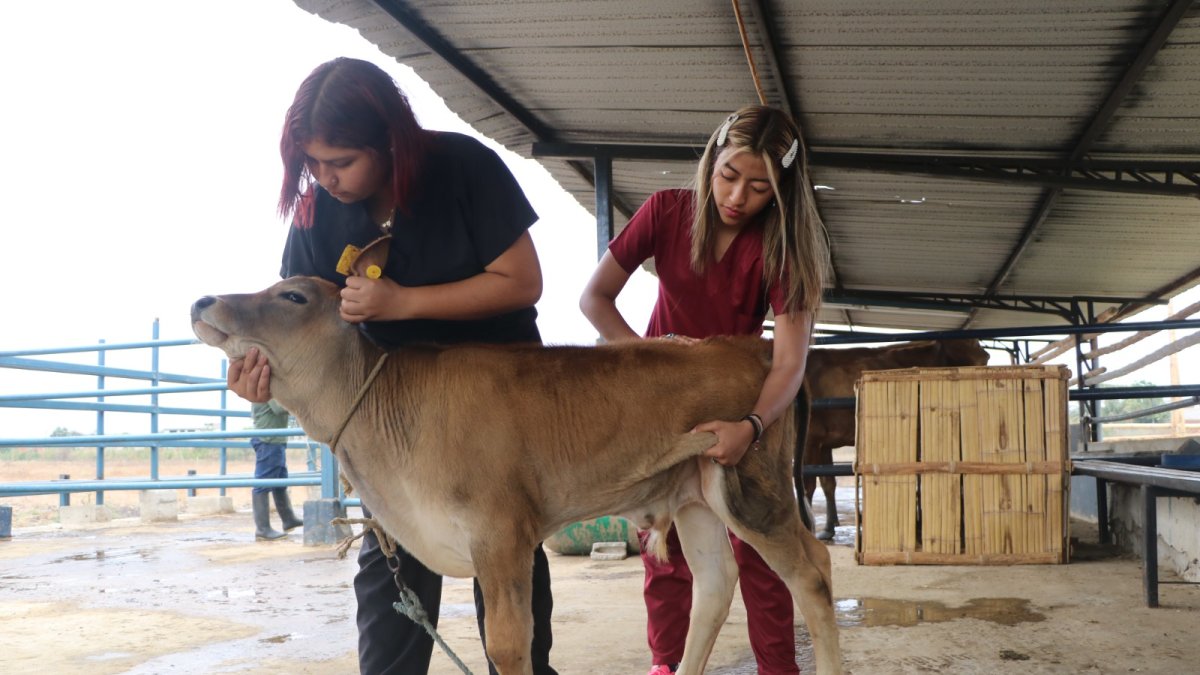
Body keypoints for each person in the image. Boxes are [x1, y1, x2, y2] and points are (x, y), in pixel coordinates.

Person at [226, 57, 556, 675]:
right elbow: (295, 322)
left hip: (494, 418)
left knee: (509, 571)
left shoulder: (463, 167)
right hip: (391, 426)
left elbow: (522, 282)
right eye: (312, 163)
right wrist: (258, 376)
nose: (326, 178)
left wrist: (404, 303)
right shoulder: (316, 211)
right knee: (390, 583)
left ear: (391, 139)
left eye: (342, 161)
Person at [579, 105, 828, 675]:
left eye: (760, 187)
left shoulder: (783, 246)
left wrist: (752, 426)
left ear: (782, 189)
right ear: (711, 161)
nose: (738, 197)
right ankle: (665, 666)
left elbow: (790, 363)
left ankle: (777, 670)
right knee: (663, 542)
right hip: (659, 405)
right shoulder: (667, 210)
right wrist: (649, 358)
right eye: (728, 176)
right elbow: (594, 298)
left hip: (736, 403)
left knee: (760, 541)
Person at [249, 399, 303, 540]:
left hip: (275, 439)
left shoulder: (269, 389)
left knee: (280, 481)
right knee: (263, 483)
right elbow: (279, 408)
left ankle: (288, 519)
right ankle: (263, 529)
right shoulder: (268, 390)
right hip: (269, 440)